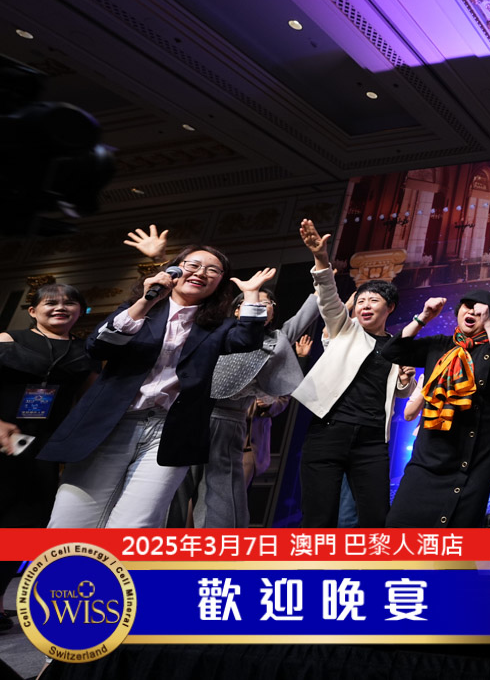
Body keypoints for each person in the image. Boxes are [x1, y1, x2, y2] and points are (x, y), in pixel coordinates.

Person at [42, 248, 273, 527]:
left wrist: (251, 294)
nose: (201, 273)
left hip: (170, 430)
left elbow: (247, 340)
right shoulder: (139, 310)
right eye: (193, 265)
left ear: (220, 283)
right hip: (113, 423)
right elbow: (97, 347)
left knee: (136, 525)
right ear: (174, 270)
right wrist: (145, 301)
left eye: (212, 270)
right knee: (71, 519)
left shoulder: (219, 328)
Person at [125, 225, 315, 527]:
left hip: (229, 421)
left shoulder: (277, 339)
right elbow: (178, 299)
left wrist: (323, 267)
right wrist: (161, 262)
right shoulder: (216, 331)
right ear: (237, 311)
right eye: (252, 303)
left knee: (220, 496)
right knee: (170, 490)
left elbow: (311, 309)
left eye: (267, 304)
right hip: (187, 414)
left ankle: (218, 551)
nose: (260, 307)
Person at [291, 219, 414, 527]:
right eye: (361, 301)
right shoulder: (344, 330)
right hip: (329, 431)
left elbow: (400, 392)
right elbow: (328, 299)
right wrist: (321, 258)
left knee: (376, 518)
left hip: (372, 440)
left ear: (390, 307)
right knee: (319, 517)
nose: (365, 305)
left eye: (374, 300)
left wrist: (405, 381)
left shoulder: (397, 346)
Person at [1, 283, 95, 631]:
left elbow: (89, 404)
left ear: (80, 312)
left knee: (24, 525)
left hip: (43, 447)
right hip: (1, 436)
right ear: (33, 311)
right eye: (50, 302)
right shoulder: (8, 339)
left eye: (70, 303)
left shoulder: (85, 352)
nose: (60, 307)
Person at [385, 290, 490, 527]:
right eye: (467, 306)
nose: (472, 311)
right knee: (400, 522)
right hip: (432, 450)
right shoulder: (440, 345)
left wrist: (489, 325)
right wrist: (423, 317)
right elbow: (392, 351)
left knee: (459, 529)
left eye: (480, 309)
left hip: (476, 452)